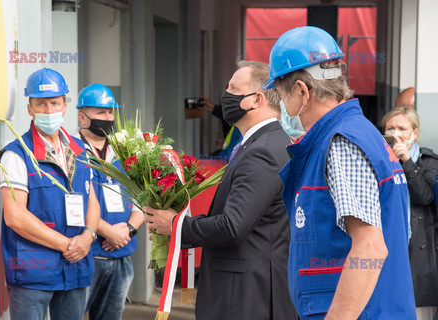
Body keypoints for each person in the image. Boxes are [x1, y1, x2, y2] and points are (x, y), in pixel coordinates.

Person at [263, 26, 416, 319]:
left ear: (302, 91)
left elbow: (369, 249)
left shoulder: (341, 142)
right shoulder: (356, 134)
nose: (281, 107)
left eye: (281, 96)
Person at [143, 61, 298, 320]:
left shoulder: (263, 151)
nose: (225, 96)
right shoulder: (263, 144)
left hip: (245, 298)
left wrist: (176, 225)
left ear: (257, 99)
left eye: (233, 89)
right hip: (248, 292)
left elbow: (232, 226)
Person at [0, 68, 100, 320]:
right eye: (40, 104)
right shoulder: (16, 155)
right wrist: (67, 245)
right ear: (29, 108)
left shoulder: (79, 149)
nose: (49, 110)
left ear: (65, 105)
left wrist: (88, 236)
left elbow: (92, 200)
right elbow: (15, 217)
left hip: (75, 266)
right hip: (34, 273)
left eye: (55, 102)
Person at [76, 83, 144, 320]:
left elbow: (143, 197)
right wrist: (106, 231)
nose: (108, 118)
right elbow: (70, 203)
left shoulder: (125, 152)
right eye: (100, 113)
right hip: (86, 256)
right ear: (82, 117)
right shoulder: (71, 152)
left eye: (110, 112)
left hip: (122, 256)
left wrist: (130, 229)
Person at [382, 106, 438, 320]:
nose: (396, 134)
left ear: (415, 133)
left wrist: (407, 161)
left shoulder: (429, 163)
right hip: (389, 246)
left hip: (419, 252)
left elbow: (424, 197)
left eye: (402, 128)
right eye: (390, 128)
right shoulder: (380, 160)